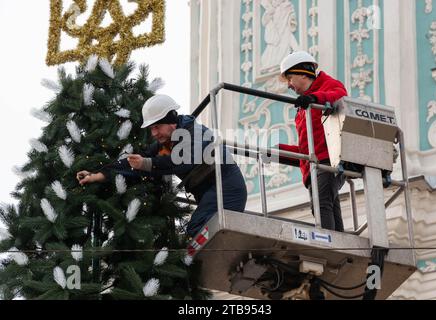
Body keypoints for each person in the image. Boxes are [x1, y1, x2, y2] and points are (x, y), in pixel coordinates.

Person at [76, 94, 247, 237]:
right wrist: (96, 175)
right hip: (209, 192)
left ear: (172, 121)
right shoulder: (166, 143)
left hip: (226, 188)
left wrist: (146, 163)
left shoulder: (195, 134)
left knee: (197, 229)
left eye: (157, 127)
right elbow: (134, 161)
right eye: (151, 129)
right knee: (196, 230)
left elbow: (181, 161)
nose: (154, 133)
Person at [278, 51, 348, 232]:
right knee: (329, 205)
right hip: (315, 165)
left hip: (328, 159)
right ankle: (339, 243)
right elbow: (305, 148)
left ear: (303, 73)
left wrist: (314, 99)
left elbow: (339, 94)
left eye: (289, 78)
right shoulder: (303, 108)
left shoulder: (325, 86)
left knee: (321, 203)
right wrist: (278, 151)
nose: (289, 85)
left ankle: (330, 245)